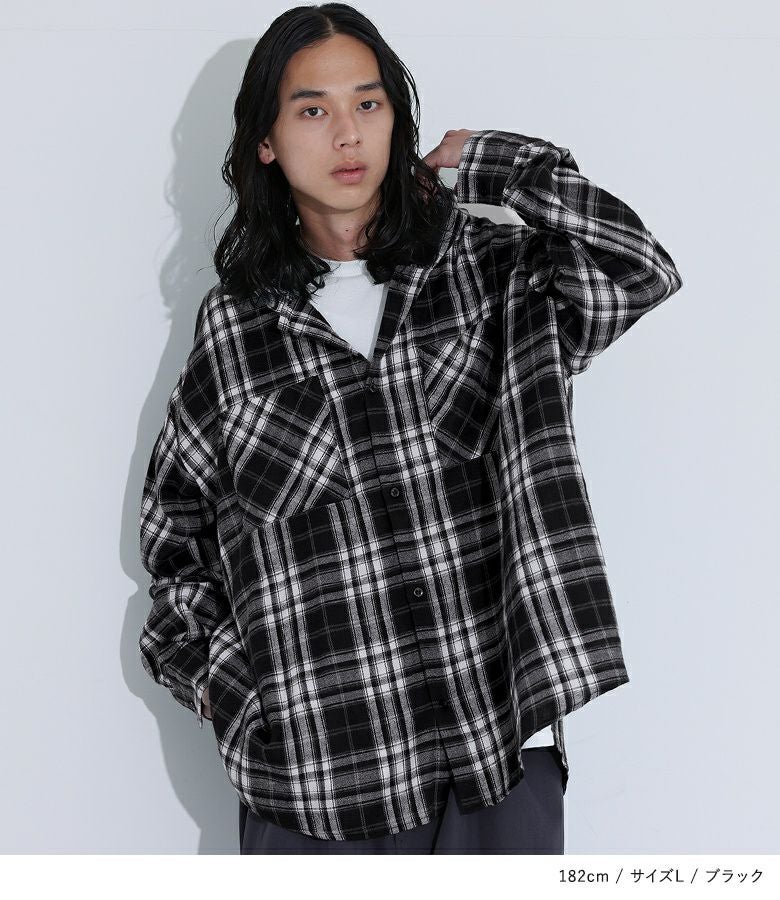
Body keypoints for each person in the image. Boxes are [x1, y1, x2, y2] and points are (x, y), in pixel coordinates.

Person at [138, 3, 683, 854]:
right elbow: (174, 544)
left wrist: (494, 163)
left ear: (397, 117)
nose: (347, 133)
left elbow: (636, 268)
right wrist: (232, 693)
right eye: (312, 109)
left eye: (369, 102)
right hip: (318, 789)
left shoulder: (490, 274)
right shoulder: (234, 332)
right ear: (267, 142)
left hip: (497, 760)